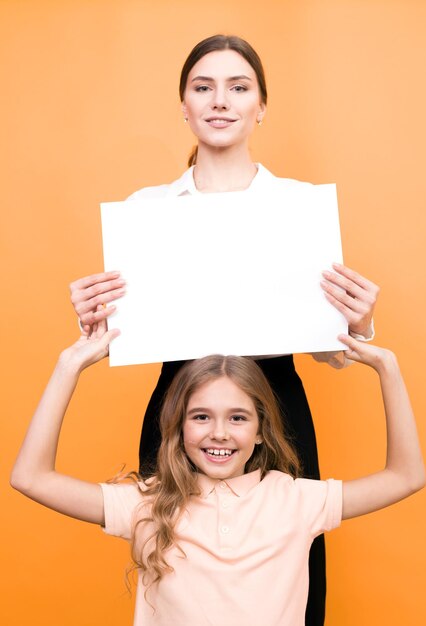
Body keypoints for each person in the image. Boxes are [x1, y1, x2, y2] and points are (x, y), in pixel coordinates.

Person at [68, 35, 380, 625]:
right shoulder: (147, 211)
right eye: (203, 87)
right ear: (183, 105)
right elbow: (126, 328)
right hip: (179, 405)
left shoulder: (298, 207)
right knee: (174, 565)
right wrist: (96, 317)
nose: (220, 101)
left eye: (239, 88)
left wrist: (357, 323)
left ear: (261, 106)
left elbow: (330, 351)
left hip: (275, 407)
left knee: (293, 571)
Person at [10, 317, 426, 626]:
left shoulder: (297, 499)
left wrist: (386, 367)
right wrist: (69, 365)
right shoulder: (149, 504)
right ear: (179, 425)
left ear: (263, 430)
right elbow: (31, 478)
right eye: (202, 417)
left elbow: (406, 476)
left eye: (239, 418)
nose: (220, 433)